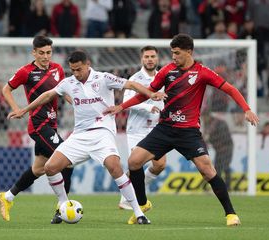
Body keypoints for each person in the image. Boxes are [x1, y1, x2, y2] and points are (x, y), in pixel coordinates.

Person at [103, 33, 259, 226]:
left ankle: (230, 214)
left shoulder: (202, 72)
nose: (173, 57)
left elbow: (230, 89)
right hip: (165, 129)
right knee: (134, 162)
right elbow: (147, 94)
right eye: (172, 53)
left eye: (177, 53)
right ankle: (142, 204)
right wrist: (121, 107)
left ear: (189, 52)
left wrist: (247, 109)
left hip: (188, 132)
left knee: (208, 171)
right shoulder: (167, 71)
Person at [8, 50, 167, 224]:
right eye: (73, 70)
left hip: (102, 133)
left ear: (87, 64)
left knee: (115, 167)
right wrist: (24, 109)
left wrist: (151, 94)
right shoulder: (68, 82)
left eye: (79, 70)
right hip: (80, 135)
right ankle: (63, 205)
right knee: (50, 167)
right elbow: (47, 95)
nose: (76, 74)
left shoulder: (103, 78)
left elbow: (131, 85)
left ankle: (139, 213)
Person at [0, 36, 73, 223]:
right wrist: (16, 109)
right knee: (67, 161)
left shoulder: (58, 69)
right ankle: (62, 207)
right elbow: (6, 89)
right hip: (38, 126)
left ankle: (7, 197)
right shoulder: (26, 72)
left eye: (48, 52)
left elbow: (64, 92)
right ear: (34, 53)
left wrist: (79, 105)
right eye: (41, 53)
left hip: (52, 124)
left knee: (38, 169)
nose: (45, 56)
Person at [118, 46, 167, 210]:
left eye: (153, 56)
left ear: (157, 58)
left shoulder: (162, 77)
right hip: (136, 130)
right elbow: (127, 103)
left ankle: (136, 189)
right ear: (142, 59)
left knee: (160, 165)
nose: (150, 59)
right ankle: (127, 198)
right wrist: (148, 108)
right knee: (136, 164)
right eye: (146, 56)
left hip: (156, 129)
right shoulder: (135, 78)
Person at [204, 114, 233, 190]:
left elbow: (224, 136)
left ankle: (227, 186)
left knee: (225, 166)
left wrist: (211, 140)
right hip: (219, 150)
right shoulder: (209, 124)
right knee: (217, 168)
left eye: (204, 117)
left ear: (208, 116)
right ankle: (219, 187)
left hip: (226, 149)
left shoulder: (219, 123)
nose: (203, 120)